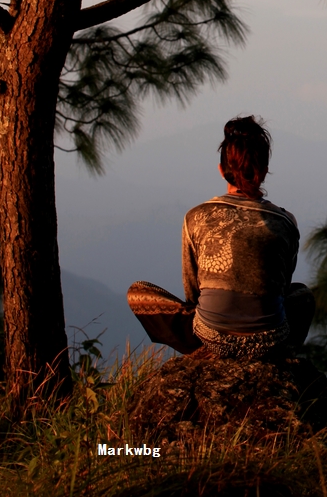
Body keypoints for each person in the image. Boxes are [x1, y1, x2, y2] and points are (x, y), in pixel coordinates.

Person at [127, 116, 314, 360]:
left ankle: (202, 350)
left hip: (210, 336)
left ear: (221, 170)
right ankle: (283, 355)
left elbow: (192, 292)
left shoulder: (196, 216)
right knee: (303, 296)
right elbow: (281, 286)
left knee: (137, 293)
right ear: (264, 171)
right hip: (269, 341)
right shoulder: (285, 221)